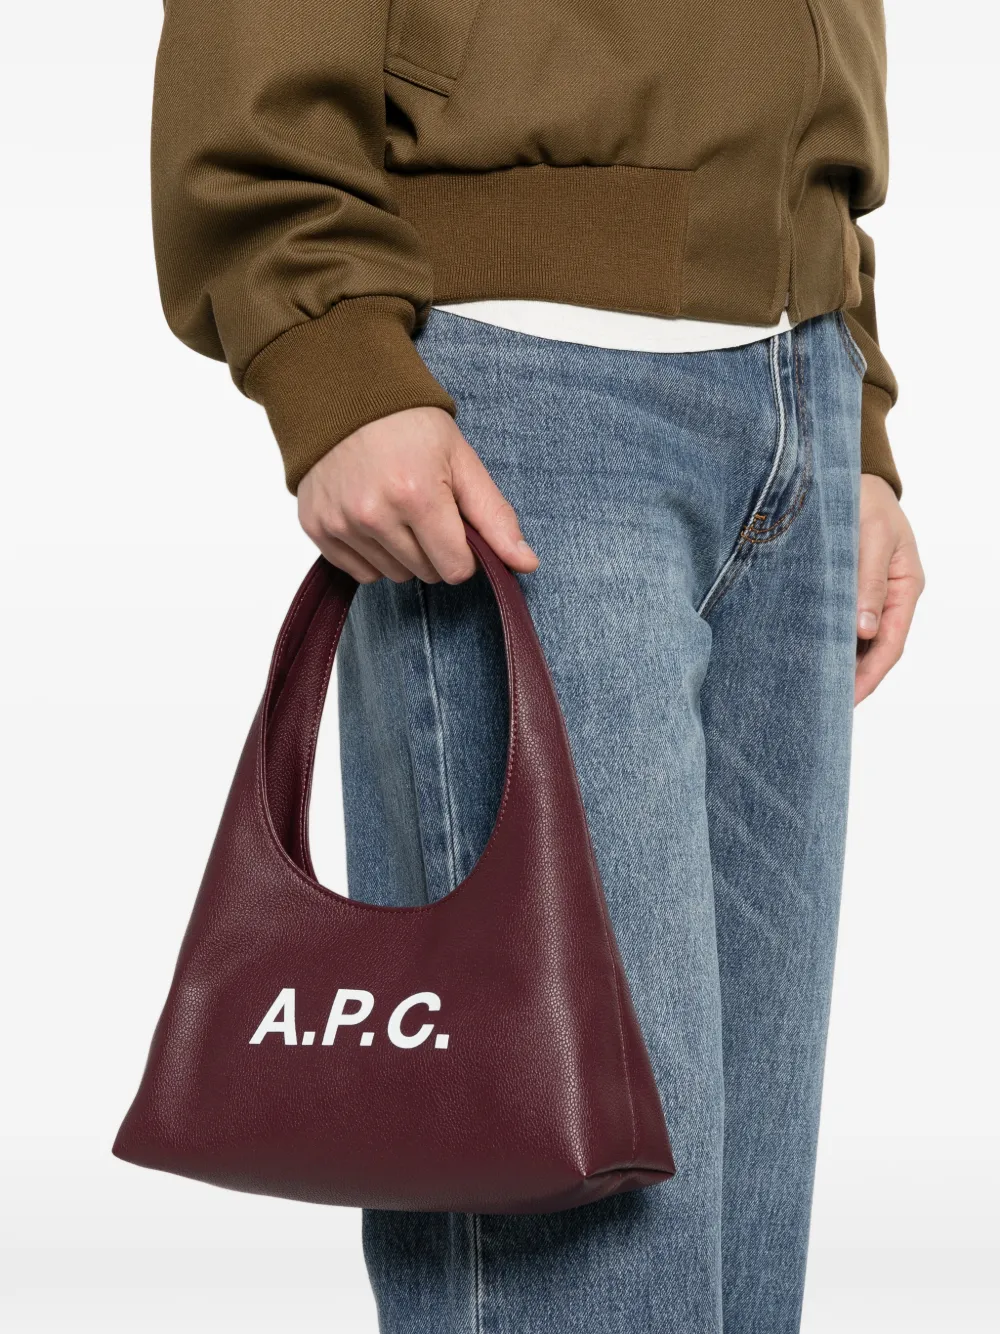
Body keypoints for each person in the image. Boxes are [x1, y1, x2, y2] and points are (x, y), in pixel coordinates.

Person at [149, 1, 924, 1329]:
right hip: (524, 403)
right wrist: (326, 343)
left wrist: (845, 415)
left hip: (794, 383)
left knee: (731, 1269)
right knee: (591, 1251)